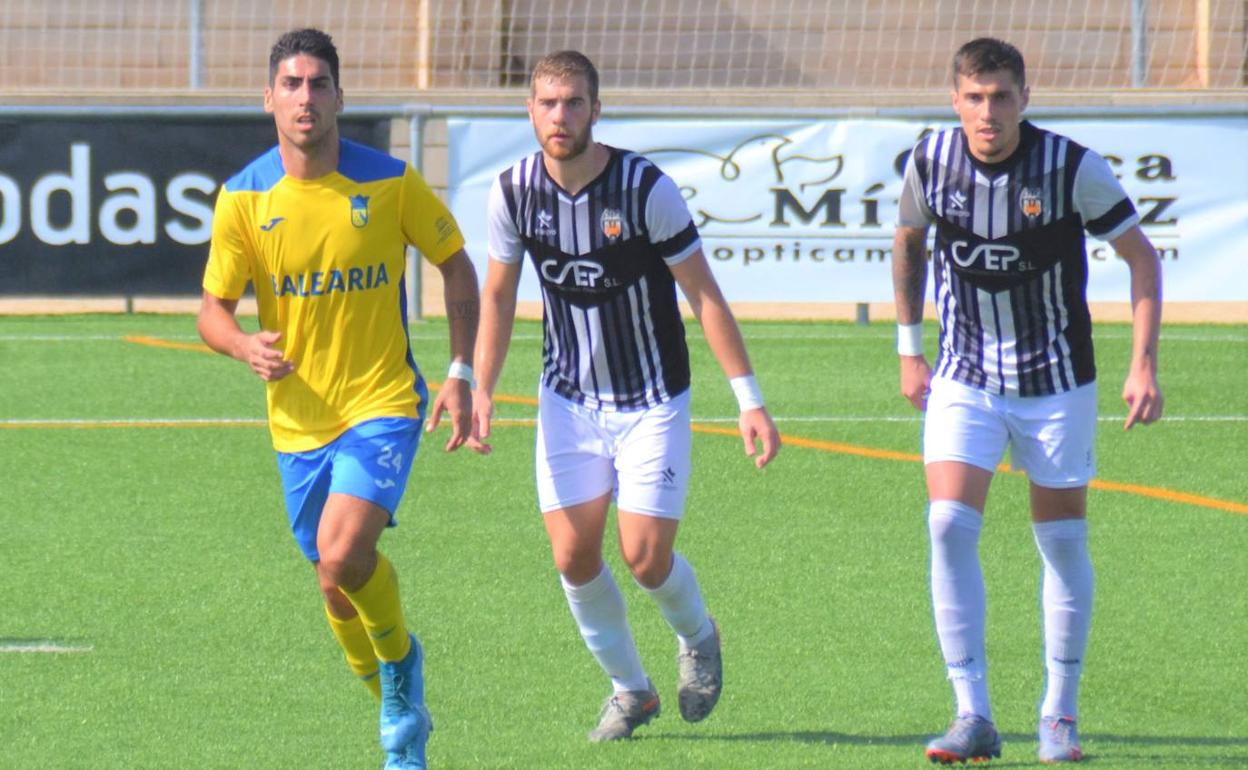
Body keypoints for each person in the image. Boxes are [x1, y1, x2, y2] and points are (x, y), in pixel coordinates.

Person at [470, 50, 780, 742]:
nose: (560, 116)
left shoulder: (645, 189)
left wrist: (749, 398)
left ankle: (698, 634)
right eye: (548, 103)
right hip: (568, 399)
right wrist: (479, 386)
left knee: (643, 556)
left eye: (574, 102)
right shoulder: (513, 192)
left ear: (596, 110)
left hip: (651, 400)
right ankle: (630, 690)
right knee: (573, 556)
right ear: (530, 111)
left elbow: (703, 295)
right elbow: (496, 295)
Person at [197, 28, 479, 770]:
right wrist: (241, 345)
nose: (305, 98)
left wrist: (461, 371)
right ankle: (393, 691)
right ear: (269, 99)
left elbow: (456, 266)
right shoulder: (245, 199)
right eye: (291, 84)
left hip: (381, 403)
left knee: (344, 550)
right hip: (297, 423)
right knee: (332, 581)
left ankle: (399, 680)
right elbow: (211, 311)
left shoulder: (390, 182)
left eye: (319, 84)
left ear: (339, 98)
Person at [892, 37, 1163, 765]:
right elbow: (910, 239)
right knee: (947, 524)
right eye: (975, 97)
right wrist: (907, 347)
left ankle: (1058, 716)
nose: (989, 112)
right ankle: (971, 713)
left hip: (1056, 383)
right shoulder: (929, 161)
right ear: (955, 100)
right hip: (964, 377)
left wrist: (1143, 364)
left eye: (1002, 96)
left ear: (1024, 98)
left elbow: (1142, 256)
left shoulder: (1071, 168)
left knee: (1063, 541)